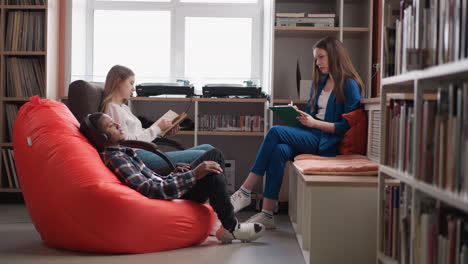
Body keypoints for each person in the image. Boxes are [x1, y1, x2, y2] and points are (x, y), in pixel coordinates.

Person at [230, 36, 364, 229]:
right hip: (312, 134)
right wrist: (298, 115)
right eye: (316, 58)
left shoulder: (349, 85)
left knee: (275, 132)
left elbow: (346, 125)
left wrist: (314, 123)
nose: (317, 63)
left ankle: (245, 191)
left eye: (321, 57)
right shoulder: (322, 81)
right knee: (279, 151)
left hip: (326, 141)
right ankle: (267, 214)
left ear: (335, 56)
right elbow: (312, 114)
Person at [79, 112, 265, 243]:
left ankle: (227, 222)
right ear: (102, 137)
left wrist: (175, 173)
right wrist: (193, 174)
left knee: (213, 161)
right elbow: (151, 190)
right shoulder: (116, 157)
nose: (118, 125)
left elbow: (152, 178)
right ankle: (231, 227)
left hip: (169, 184)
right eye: (112, 125)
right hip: (168, 195)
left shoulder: (121, 151)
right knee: (213, 164)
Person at [100, 65, 214, 171]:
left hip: (145, 151)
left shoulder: (123, 107)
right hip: (138, 157)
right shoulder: (112, 108)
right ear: (118, 82)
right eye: (131, 83)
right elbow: (127, 141)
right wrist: (157, 128)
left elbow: (137, 134)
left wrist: (162, 131)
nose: (133, 89)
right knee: (210, 153)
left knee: (209, 148)